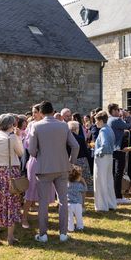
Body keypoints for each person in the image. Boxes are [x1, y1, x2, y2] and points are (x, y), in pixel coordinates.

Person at [27, 101, 79, 242]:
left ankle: (43, 234)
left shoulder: (36, 126)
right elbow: (75, 146)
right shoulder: (63, 125)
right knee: (63, 200)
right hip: (62, 167)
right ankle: (63, 233)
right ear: (52, 111)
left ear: (42, 112)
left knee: (43, 202)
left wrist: (40, 155)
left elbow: (31, 150)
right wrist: (71, 162)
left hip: (44, 167)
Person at [0, 113, 24, 246]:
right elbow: (21, 153)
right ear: (11, 125)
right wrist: (18, 138)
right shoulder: (12, 137)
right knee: (11, 203)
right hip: (11, 171)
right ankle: (10, 237)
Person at [107, 103, 131, 204]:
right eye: (117, 110)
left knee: (114, 173)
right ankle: (118, 196)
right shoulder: (116, 120)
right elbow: (129, 126)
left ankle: (114, 195)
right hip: (118, 149)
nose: (119, 111)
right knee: (118, 173)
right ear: (113, 111)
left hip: (113, 149)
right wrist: (128, 116)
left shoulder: (109, 120)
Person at [92, 111, 116, 211]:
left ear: (101, 120)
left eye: (96, 121)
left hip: (102, 157)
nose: (95, 123)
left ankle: (102, 206)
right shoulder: (109, 129)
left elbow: (105, 145)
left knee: (100, 181)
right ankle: (110, 204)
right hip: (109, 157)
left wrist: (97, 152)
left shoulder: (103, 131)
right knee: (108, 181)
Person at [68, 120, 93, 191]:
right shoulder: (80, 138)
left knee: (72, 177)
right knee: (84, 177)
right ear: (76, 129)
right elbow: (85, 151)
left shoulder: (66, 138)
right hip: (81, 160)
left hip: (70, 160)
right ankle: (87, 190)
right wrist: (89, 160)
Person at [67, 165, 87, 232]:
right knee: (79, 217)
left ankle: (70, 228)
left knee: (70, 218)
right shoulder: (79, 185)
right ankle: (80, 227)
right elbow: (85, 189)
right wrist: (84, 182)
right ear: (77, 177)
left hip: (69, 203)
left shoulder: (67, 184)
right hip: (78, 204)